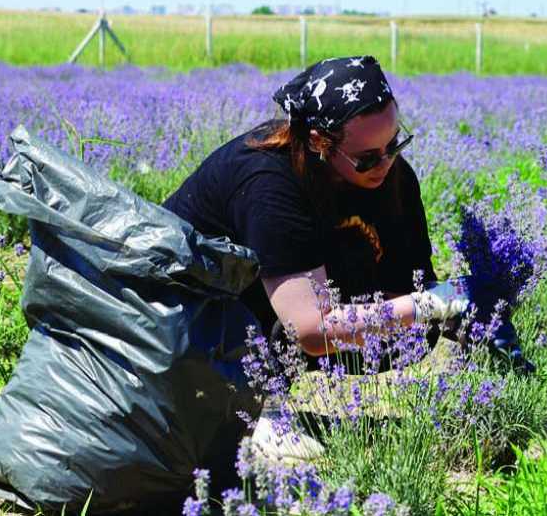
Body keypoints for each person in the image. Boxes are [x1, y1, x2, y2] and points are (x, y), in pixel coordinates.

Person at [160, 55, 480, 486]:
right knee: (379, 315)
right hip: (184, 316)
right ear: (317, 141)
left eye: (395, 145)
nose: (385, 164)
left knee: (409, 329)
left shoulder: (391, 176)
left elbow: (411, 278)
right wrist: (423, 306)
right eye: (367, 158)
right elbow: (311, 331)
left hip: (278, 293)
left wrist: (467, 317)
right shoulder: (269, 184)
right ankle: (256, 409)